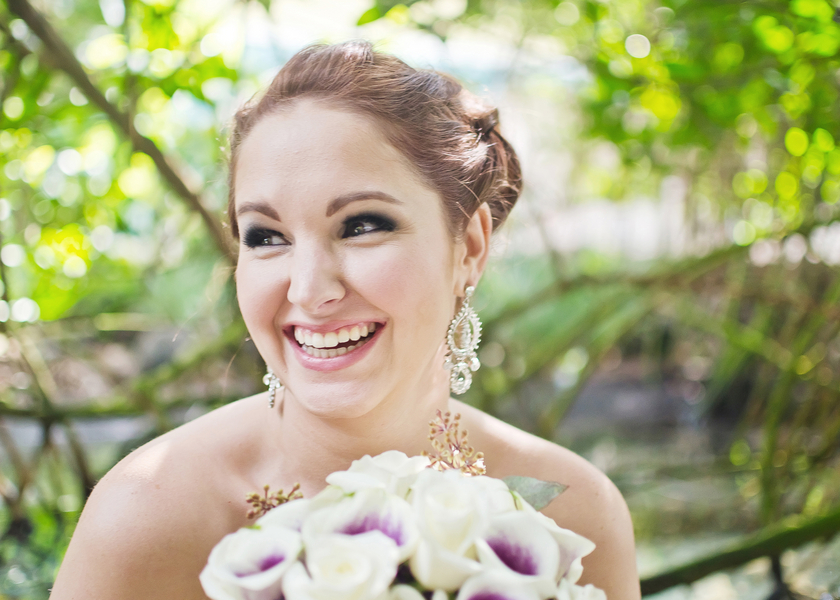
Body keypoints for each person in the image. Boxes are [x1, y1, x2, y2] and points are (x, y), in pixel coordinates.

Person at [50, 41, 640, 599]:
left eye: (361, 225)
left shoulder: (575, 517)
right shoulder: (146, 516)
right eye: (267, 236)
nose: (309, 289)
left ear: (470, 246)